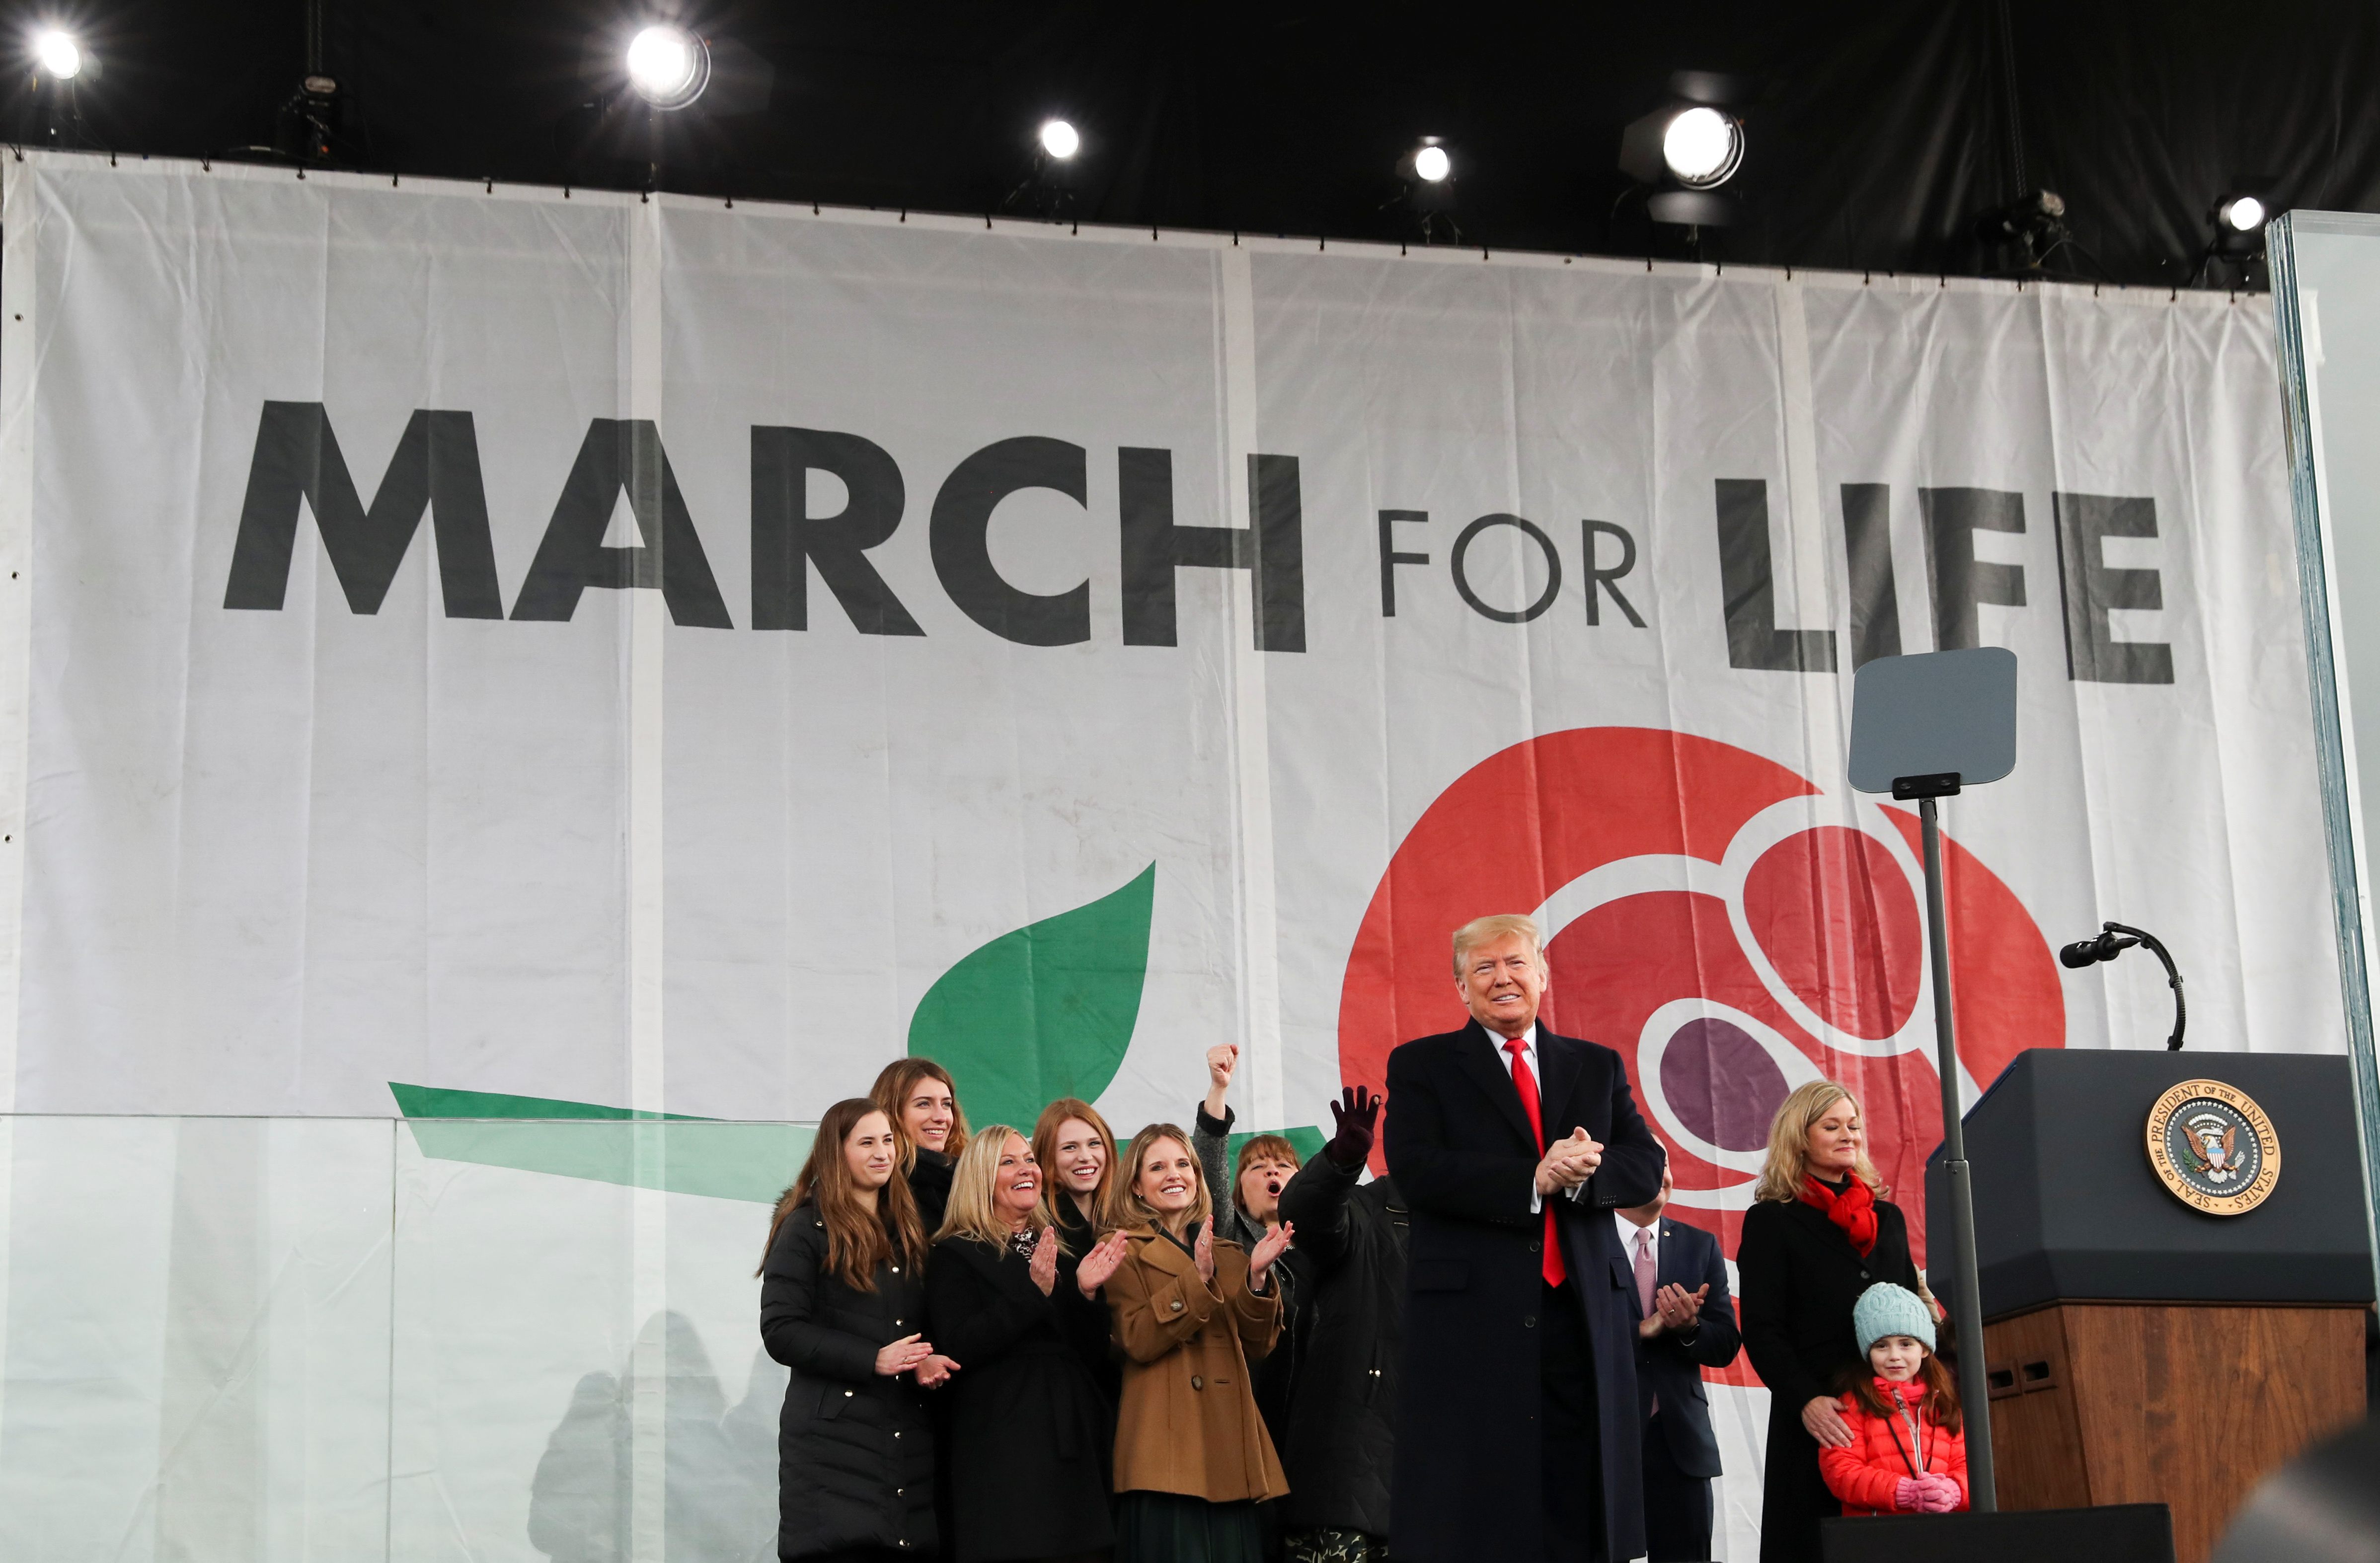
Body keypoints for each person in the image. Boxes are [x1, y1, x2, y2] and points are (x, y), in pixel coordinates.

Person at [1382, 912, 1665, 1563]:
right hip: (1472, 1321)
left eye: (1514, 962)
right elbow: (1417, 1168)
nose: (1501, 977)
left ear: (1541, 973)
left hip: (1581, 1314)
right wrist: (1529, 1178)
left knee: (1579, 1498)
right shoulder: (1423, 1064)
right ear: (1460, 987)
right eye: (1482, 967)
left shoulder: (1593, 1065)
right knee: (1481, 1504)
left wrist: (1577, 1173)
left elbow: (1643, 1162)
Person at [1736, 1081, 1927, 1563]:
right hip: (1820, 1419)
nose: (1850, 1134)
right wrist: (1806, 1401)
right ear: (1800, 1138)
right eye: (1833, 1125)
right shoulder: (1771, 1221)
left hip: (1893, 1417)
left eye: (1855, 1125)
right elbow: (1763, 1328)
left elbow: (1914, 1317)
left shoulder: (1890, 1218)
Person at [926, 1123, 1133, 1563]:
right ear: (981, 1177)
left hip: (1073, 1436)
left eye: (1030, 1159)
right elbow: (959, 1343)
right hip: (1005, 1445)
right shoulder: (955, 1252)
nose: (1027, 1169)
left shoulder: (1055, 1247)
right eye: (1008, 1161)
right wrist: (1031, 1294)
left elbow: (1090, 1354)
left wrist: (1087, 1293)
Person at [759, 1097, 947, 1562]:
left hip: (906, 1432)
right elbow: (781, 1329)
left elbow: (914, 1322)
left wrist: (925, 1356)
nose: (882, 1152)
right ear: (835, 1152)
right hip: (833, 1445)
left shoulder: (910, 1227)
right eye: (866, 1142)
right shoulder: (805, 1226)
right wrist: (872, 1358)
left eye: (888, 1140)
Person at [1103, 1123, 1296, 1563]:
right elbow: (1137, 1339)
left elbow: (1260, 1344)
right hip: (1163, 1458)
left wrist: (1257, 1277)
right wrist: (1198, 1278)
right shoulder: (1120, 1250)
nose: (1175, 1174)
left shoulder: (1230, 1253)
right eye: (1157, 1166)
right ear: (1135, 1185)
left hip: (1229, 1453)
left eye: (1183, 1164)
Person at [1271, 1086, 1408, 1563]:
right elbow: (1306, 1215)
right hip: (1349, 1480)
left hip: (1443, 1482)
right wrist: (1339, 1163)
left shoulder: (1476, 1223)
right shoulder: (1364, 1208)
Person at [1618, 1163, 1742, 1562]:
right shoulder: (1584, 1239)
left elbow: (1724, 1343)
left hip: (1679, 1443)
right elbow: (1562, 1336)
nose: (1660, 1174)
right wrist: (1639, 1330)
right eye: (1647, 1161)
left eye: (1666, 1164)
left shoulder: (1699, 1245)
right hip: (1602, 1436)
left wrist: (1689, 1327)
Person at [1191, 1042, 1308, 1447]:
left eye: (1283, 1165)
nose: (1272, 1170)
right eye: (1257, 1167)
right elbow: (1209, 1161)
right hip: (1250, 1405)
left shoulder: (1328, 1239)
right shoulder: (1229, 1230)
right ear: (1237, 1191)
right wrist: (1218, 1089)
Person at [1817, 1284, 1968, 1518]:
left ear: (1925, 1349)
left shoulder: (1946, 1403)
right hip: (1878, 1541)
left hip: (1944, 1536)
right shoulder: (1851, 1405)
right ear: (1868, 1353)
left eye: (1906, 1343)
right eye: (1881, 1346)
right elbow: (1841, 1472)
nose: (1894, 1356)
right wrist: (1906, 1492)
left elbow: (1969, 1466)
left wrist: (1953, 1491)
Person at [1034, 1097, 1127, 1402]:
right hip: (1070, 1396)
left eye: (1094, 1144)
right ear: (1046, 1158)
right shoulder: (1037, 1229)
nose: (1085, 1157)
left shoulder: (1127, 1218)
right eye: (1070, 1148)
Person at [872, 1057, 973, 1234]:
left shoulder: (971, 1177)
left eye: (947, 1104)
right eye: (924, 1104)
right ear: (891, 1113)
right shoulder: (878, 1186)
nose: (941, 1117)